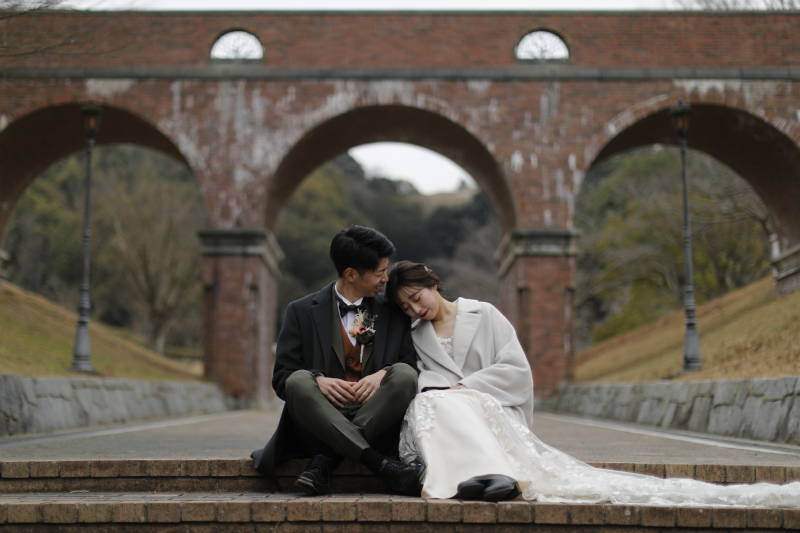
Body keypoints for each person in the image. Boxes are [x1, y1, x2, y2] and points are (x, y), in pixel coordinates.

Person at [386, 261, 800, 507]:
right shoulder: (417, 336)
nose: (414, 308)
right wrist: (446, 390)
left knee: (451, 401)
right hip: (456, 410)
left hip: (491, 406)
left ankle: (494, 473)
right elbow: (428, 376)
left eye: (416, 297)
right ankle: (472, 477)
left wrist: (470, 387)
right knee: (431, 402)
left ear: (432, 283)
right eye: (406, 307)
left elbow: (516, 370)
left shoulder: (485, 314)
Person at [251, 227, 425, 496]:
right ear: (351, 274)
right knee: (298, 380)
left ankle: (326, 461)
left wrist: (385, 373)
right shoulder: (300, 311)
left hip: (377, 420)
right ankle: (379, 464)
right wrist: (317, 381)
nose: (386, 278)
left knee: (404, 374)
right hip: (319, 423)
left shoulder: (394, 312)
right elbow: (282, 377)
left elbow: (411, 366)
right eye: (379, 272)